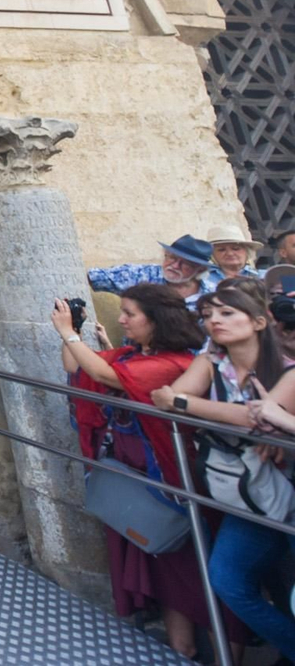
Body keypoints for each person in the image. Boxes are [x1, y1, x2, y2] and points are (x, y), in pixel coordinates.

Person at [58, 284, 220, 658]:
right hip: (137, 478)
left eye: (130, 313)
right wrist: (75, 332)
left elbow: (105, 374)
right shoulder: (134, 353)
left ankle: (215, 650)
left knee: (190, 572)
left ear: (157, 319)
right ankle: (183, 648)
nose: (121, 320)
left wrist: (68, 333)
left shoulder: (172, 362)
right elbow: (79, 367)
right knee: (164, 570)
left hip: (168, 482)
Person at [153, 281, 295, 659]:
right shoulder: (211, 361)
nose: (214, 320)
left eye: (226, 312)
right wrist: (184, 401)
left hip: (285, 489)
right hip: (245, 490)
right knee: (227, 580)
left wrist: (185, 403)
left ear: (260, 321)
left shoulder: (289, 370)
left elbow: (255, 419)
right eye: (207, 314)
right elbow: (162, 400)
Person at [88, 234, 216, 312]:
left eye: (185, 263)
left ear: (200, 269)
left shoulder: (212, 294)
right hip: (143, 354)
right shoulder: (141, 275)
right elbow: (89, 278)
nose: (175, 266)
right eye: (171, 257)